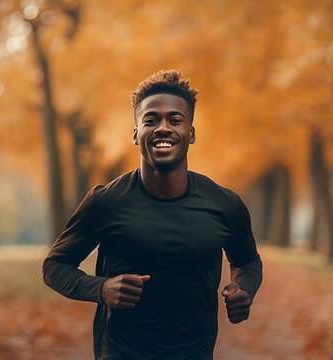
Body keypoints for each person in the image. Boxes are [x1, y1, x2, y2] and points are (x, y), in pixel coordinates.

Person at [42, 70, 263, 359]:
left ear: (190, 133)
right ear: (136, 134)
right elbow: (54, 266)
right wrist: (101, 288)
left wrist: (243, 290)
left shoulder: (224, 204)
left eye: (175, 120)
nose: (163, 128)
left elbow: (247, 261)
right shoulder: (106, 201)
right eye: (150, 120)